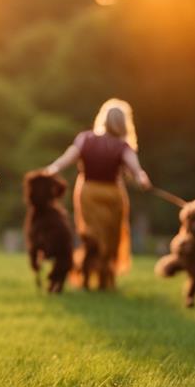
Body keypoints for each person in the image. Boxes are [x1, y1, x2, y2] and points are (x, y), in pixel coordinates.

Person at [46, 98, 151, 290]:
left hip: (88, 193)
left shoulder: (86, 138)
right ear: (123, 123)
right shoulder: (123, 146)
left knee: (92, 237)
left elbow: (67, 158)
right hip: (113, 194)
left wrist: (52, 169)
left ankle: (86, 275)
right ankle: (105, 280)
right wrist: (142, 179)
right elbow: (136, 170)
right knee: (111, 239)